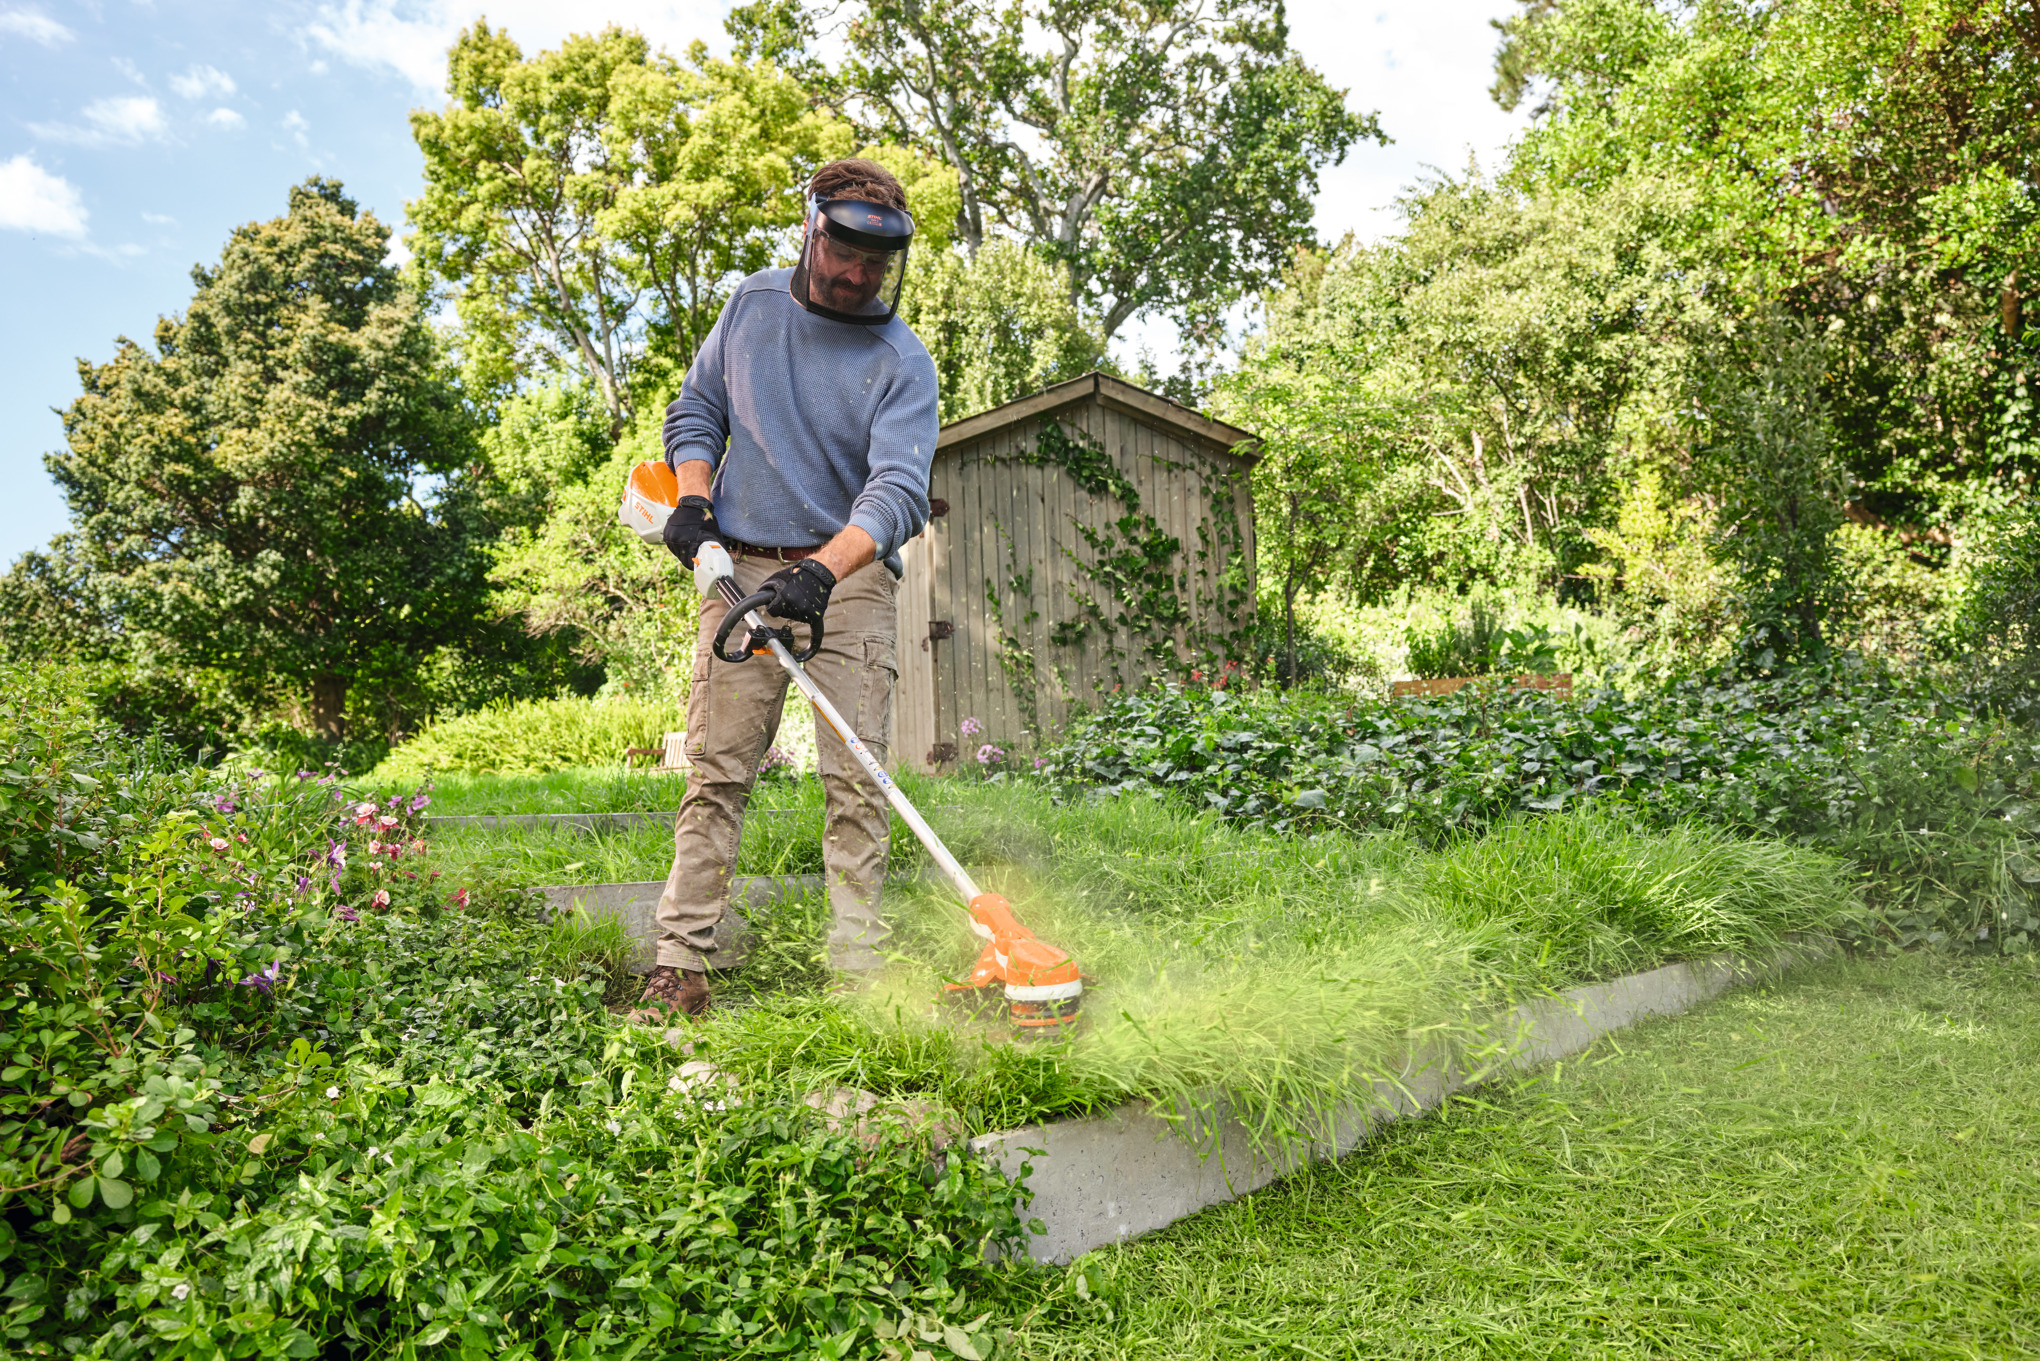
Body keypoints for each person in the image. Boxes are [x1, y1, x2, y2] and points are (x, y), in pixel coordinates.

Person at [636, 158, 939, 1020]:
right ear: (811, 231)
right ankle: (681, 963)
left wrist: (821, 572)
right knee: (717, 771)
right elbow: (697, 410)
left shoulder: (901, 361)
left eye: (874, 266)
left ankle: (857, 976)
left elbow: (897, 493)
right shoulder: (752, 306)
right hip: (737, 565)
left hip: (846, 576)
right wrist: (694, 506)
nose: (855, 276)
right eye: (843, 254)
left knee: (858, 777)